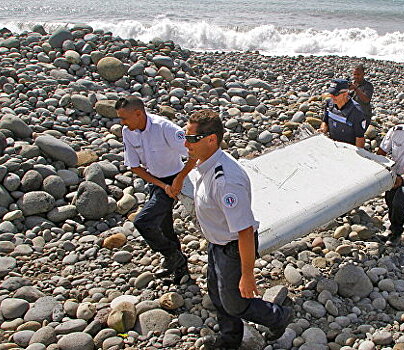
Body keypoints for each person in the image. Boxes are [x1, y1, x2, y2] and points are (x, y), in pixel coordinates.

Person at [184, 110, 293, 349]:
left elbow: (244, 231)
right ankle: (230, 340)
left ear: (211, 139)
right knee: (216, 292)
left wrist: (247, 275)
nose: (186, 144)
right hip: (217, 243)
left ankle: (278, 316)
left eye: (191, 139)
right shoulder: (207, 162)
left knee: (235, 302)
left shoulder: (226, 181)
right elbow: (192, 160)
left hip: (233, 247)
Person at [117, 96, 196, 284]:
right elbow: (134, 166)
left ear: (138, 113)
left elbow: (194, 152)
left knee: (143, 221)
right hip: (157, 181)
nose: (122, 123)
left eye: (124, 118)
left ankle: (172, 256)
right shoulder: (128, 131)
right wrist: (161, 186)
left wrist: (179, 179)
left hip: (175, 177)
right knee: (164, 225)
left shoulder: (164, 128)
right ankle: (180, 268)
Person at [319, 79, 366, 148]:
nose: (332, 97)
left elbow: (360, 139)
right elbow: (325, 121)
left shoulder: (356, 112)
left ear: (345, 94)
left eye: (335, 94)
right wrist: (323, 129)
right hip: (333, 145)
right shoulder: (329, 104)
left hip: (348, 149)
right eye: (331, 94)